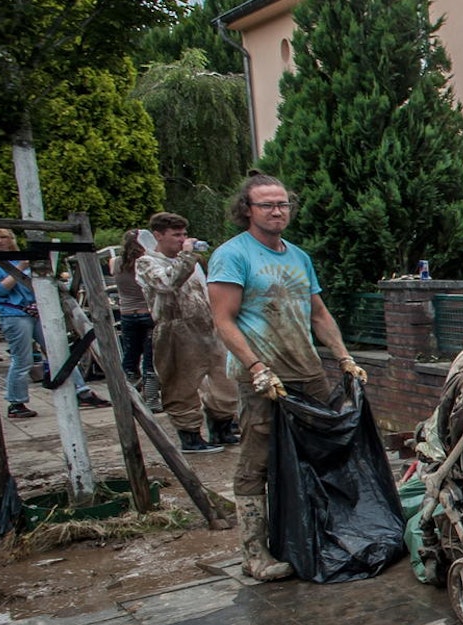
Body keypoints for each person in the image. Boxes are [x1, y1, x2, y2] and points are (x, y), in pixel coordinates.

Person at [207, 172, 366, 581]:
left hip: (307, 370)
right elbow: (223, 320)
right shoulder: (233, 255)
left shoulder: (298, 257)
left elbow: (318, 313)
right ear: (247, 209)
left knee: (326, 450)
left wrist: (344, 357)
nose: (277, 211)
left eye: (283, 204)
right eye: (267, 205)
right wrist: (256, 367)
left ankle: (321, 532)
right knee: (257, 461)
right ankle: (254, 552)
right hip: (261, 375)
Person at [138, 213, 239, 454]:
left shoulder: (191, 262)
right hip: (174, 329)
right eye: (176, 235)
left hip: (208, 327)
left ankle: (221, 426)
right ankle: (190, 436)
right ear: (159, 235)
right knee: (181, 386)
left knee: (226, 381)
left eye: (184, 234)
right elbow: (167, 283)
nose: (182, 239)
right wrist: (186, 255)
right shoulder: (147, 262)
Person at [0, 228, 111, 419]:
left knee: (60, 352)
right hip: (14, 313)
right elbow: (0, 290)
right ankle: (16, 401)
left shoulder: (21, 258)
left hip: (37, 311)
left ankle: (81, 391)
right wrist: (22, 269)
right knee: (23, 359)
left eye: (3, 237)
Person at [116, 229, 158, 407]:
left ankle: (129, 395)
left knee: (130, 356)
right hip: (147, 313)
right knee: (150, 360)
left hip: (127, 314)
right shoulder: (147, 263)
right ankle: (152, 400)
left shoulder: (116, 263)